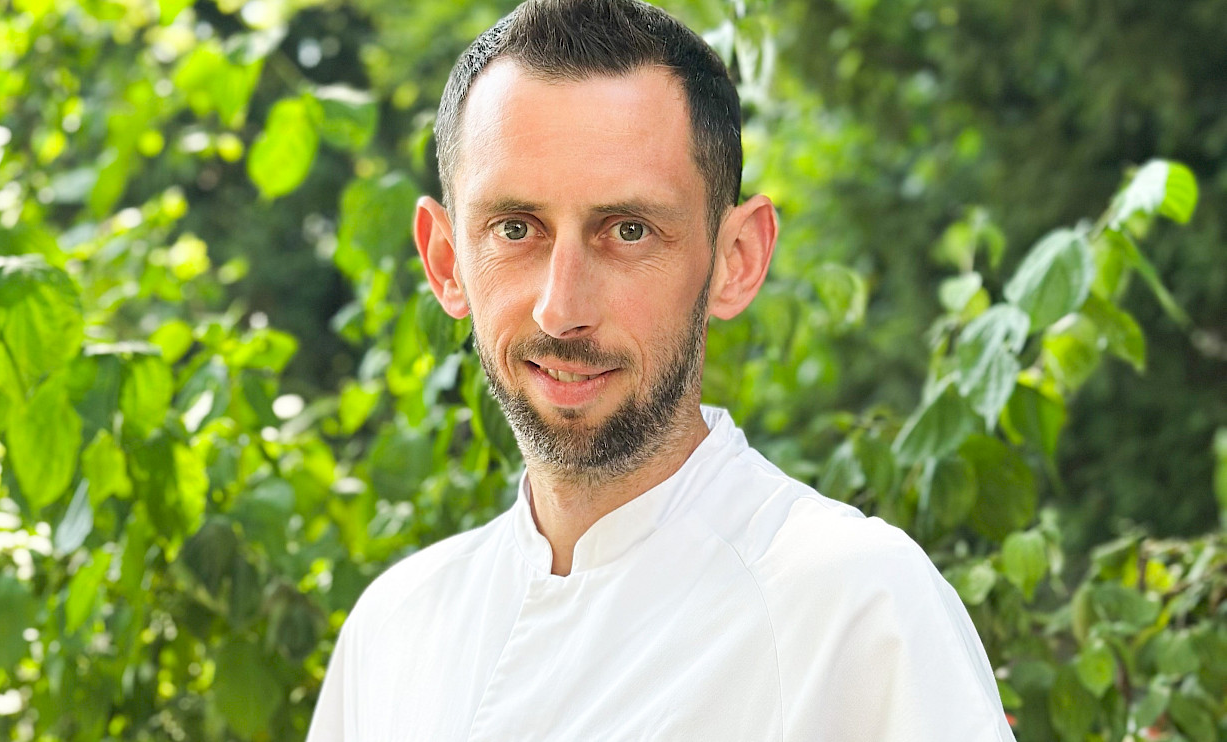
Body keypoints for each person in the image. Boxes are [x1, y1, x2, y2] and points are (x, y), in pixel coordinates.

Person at [307, 0, 1016, 739]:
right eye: (516, 228)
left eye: (628, 230)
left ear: (736, 260)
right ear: (446, 262)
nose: (562, 309)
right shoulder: (394, 629)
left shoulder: (857, 609)